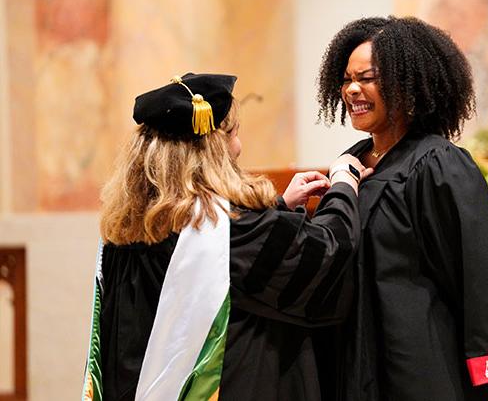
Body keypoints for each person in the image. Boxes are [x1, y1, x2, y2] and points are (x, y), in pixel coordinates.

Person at [81, 73, 371, 401]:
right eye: (233, 134)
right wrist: (345, 183)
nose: (238, 147)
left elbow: (226, 258)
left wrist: (279, 205)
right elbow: (327, 256)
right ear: (214, 146)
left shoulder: (128, 225)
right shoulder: (227, 224)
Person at [315, 16, 488, 400]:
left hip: (423, 364)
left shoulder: (437, 163)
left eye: (368, 78)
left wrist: (484, 362)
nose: (352, 90)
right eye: (347, 79)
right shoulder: (351, 165)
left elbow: (483, 270)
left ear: (406, 82)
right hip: (356, 361)